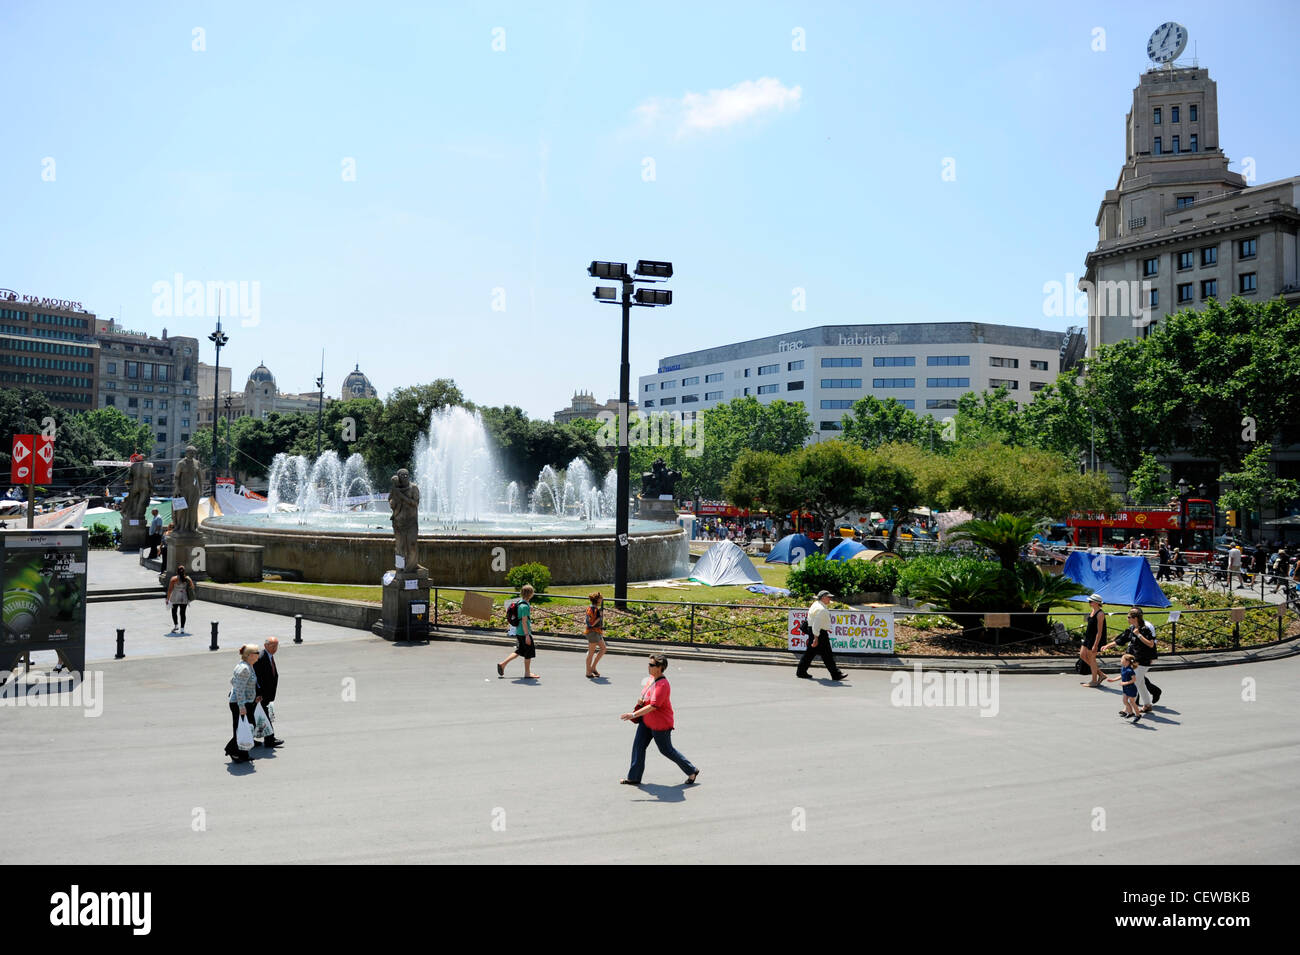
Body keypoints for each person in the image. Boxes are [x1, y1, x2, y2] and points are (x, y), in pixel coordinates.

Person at [619, 654, 699, 786]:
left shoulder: (663, 685)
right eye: (649, 664)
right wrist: (641, 701)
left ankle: (691, 770)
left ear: (660, 668)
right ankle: (634, 777)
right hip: (646, 721)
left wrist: (633, 715)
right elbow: (646, 696)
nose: (648, 667)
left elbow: (653, 706)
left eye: (652, 665)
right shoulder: (651, 679)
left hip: (660, 724)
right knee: (638, 747)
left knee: (666, 750)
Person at [1104, 608, 1161, 712]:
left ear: (1135, 618)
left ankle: (1127, 708)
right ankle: (1147, 705)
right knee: (1141, 683)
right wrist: (1108, 646)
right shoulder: (1131, 628)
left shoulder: (1145, 629)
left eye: (1129, 617)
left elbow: (1151, 644)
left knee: (1133, 684)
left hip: (1144, 660)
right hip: (1135, 659)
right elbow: (1122, 639)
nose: (1127, 619)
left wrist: (1138, 634)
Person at [797, 589, 848, 681]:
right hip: (819, 633)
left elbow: (814, 622)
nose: (830, 599)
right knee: (826, 654)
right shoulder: (821, 609)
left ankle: (801, 671)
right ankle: (836, 674)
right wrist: (816, 637)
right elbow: (816, 624)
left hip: (815, 631)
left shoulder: (815, 604)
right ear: (823, 598)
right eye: (829, 597)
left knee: (811, 654)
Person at [225, 644, 261, 763]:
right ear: (250, 655)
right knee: (242, 728)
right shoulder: (245, 669)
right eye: (257, 653)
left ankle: (242, 754)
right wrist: (242, 706)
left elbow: (232, 681)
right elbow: (239, 689)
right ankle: (233, 751)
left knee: (246, 727)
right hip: (240, 703)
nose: (258, 655)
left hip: (245, 701)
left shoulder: (246, 665)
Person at [496, 584, 538, 680]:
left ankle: (502, 664)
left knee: (519, 651)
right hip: (524, 633)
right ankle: (527, 673)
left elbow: (522, 612)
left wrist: (529, 608)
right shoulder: (524, 606)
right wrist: (527, 635)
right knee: (528, 653)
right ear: (530, 594)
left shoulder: (521, 602)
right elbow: (524, 621)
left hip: (519, 632)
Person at [251, 636, 285, 747]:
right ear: (265, 646)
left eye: (276, 646)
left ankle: (253, 739)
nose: (275, 648)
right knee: (263, 716)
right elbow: (256, 677)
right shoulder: (261, 658)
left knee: (260, 717)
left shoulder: (269, 656)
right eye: (272, 646)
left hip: (268, 694)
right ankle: (269, 740)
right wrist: (259, 693)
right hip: (261, 695)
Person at [1080, 594, 1107, 687]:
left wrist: (1095, 645)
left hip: (1095, 638)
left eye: (1091, 601)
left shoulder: (1100, 614)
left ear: (1096, 603)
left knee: (1092, 659)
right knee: (1082, 655)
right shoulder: (1092, 611)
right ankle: (1101, 674)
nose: (1089, 603)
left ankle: (1094, 681)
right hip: (1088, 637)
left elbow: (1099, 632)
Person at [1108, 653, 1142, 722]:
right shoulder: (1123, 668)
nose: (1121, 660)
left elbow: (1134, 679)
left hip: (1131, 688)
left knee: (1132, 702)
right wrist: (1113, 680)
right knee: (1125, 701)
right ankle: (1130, 713)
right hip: (1125, 688)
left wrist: (1125, 683)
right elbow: (1122, 676)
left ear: (1127, 661)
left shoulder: (1130, 670)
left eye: (1122, 659)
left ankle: (1138, 715)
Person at [165, 565, 194, 633]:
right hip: (184, 597)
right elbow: (192, 587)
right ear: (184, 571)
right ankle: (182, 629)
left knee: (174, 612)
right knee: (183, 613)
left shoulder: (173, 579)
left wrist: (167, 599)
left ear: (177, 571)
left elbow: (169, 590)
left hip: (175, 597)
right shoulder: (188, 578)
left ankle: (176, 625)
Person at [584, 592, 606, 679]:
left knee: (603, 649)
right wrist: (599, 618)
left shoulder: (593, 608)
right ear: (597, 600)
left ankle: (593, 667)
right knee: (591, 653)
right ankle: (588, 672)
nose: (602, 599)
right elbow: (591, 623)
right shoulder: (594, 610)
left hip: (597, 632)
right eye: (600, 598)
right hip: (593, 632)